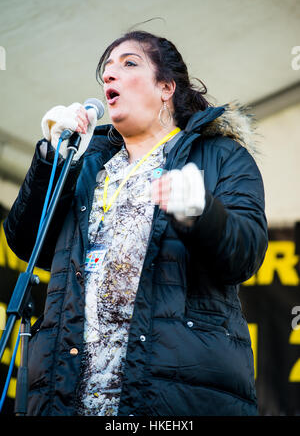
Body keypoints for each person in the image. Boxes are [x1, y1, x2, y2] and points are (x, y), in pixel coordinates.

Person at [4, 30, 268, 416]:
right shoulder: (87, 164)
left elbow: (244, 255)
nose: (110, 76)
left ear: (166, 88)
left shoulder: (220, 155)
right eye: (106, 70)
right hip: (73, 397)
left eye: (128, 64)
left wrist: (200, 212)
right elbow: (28, 244)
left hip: (170, 394)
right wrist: (52, 159)